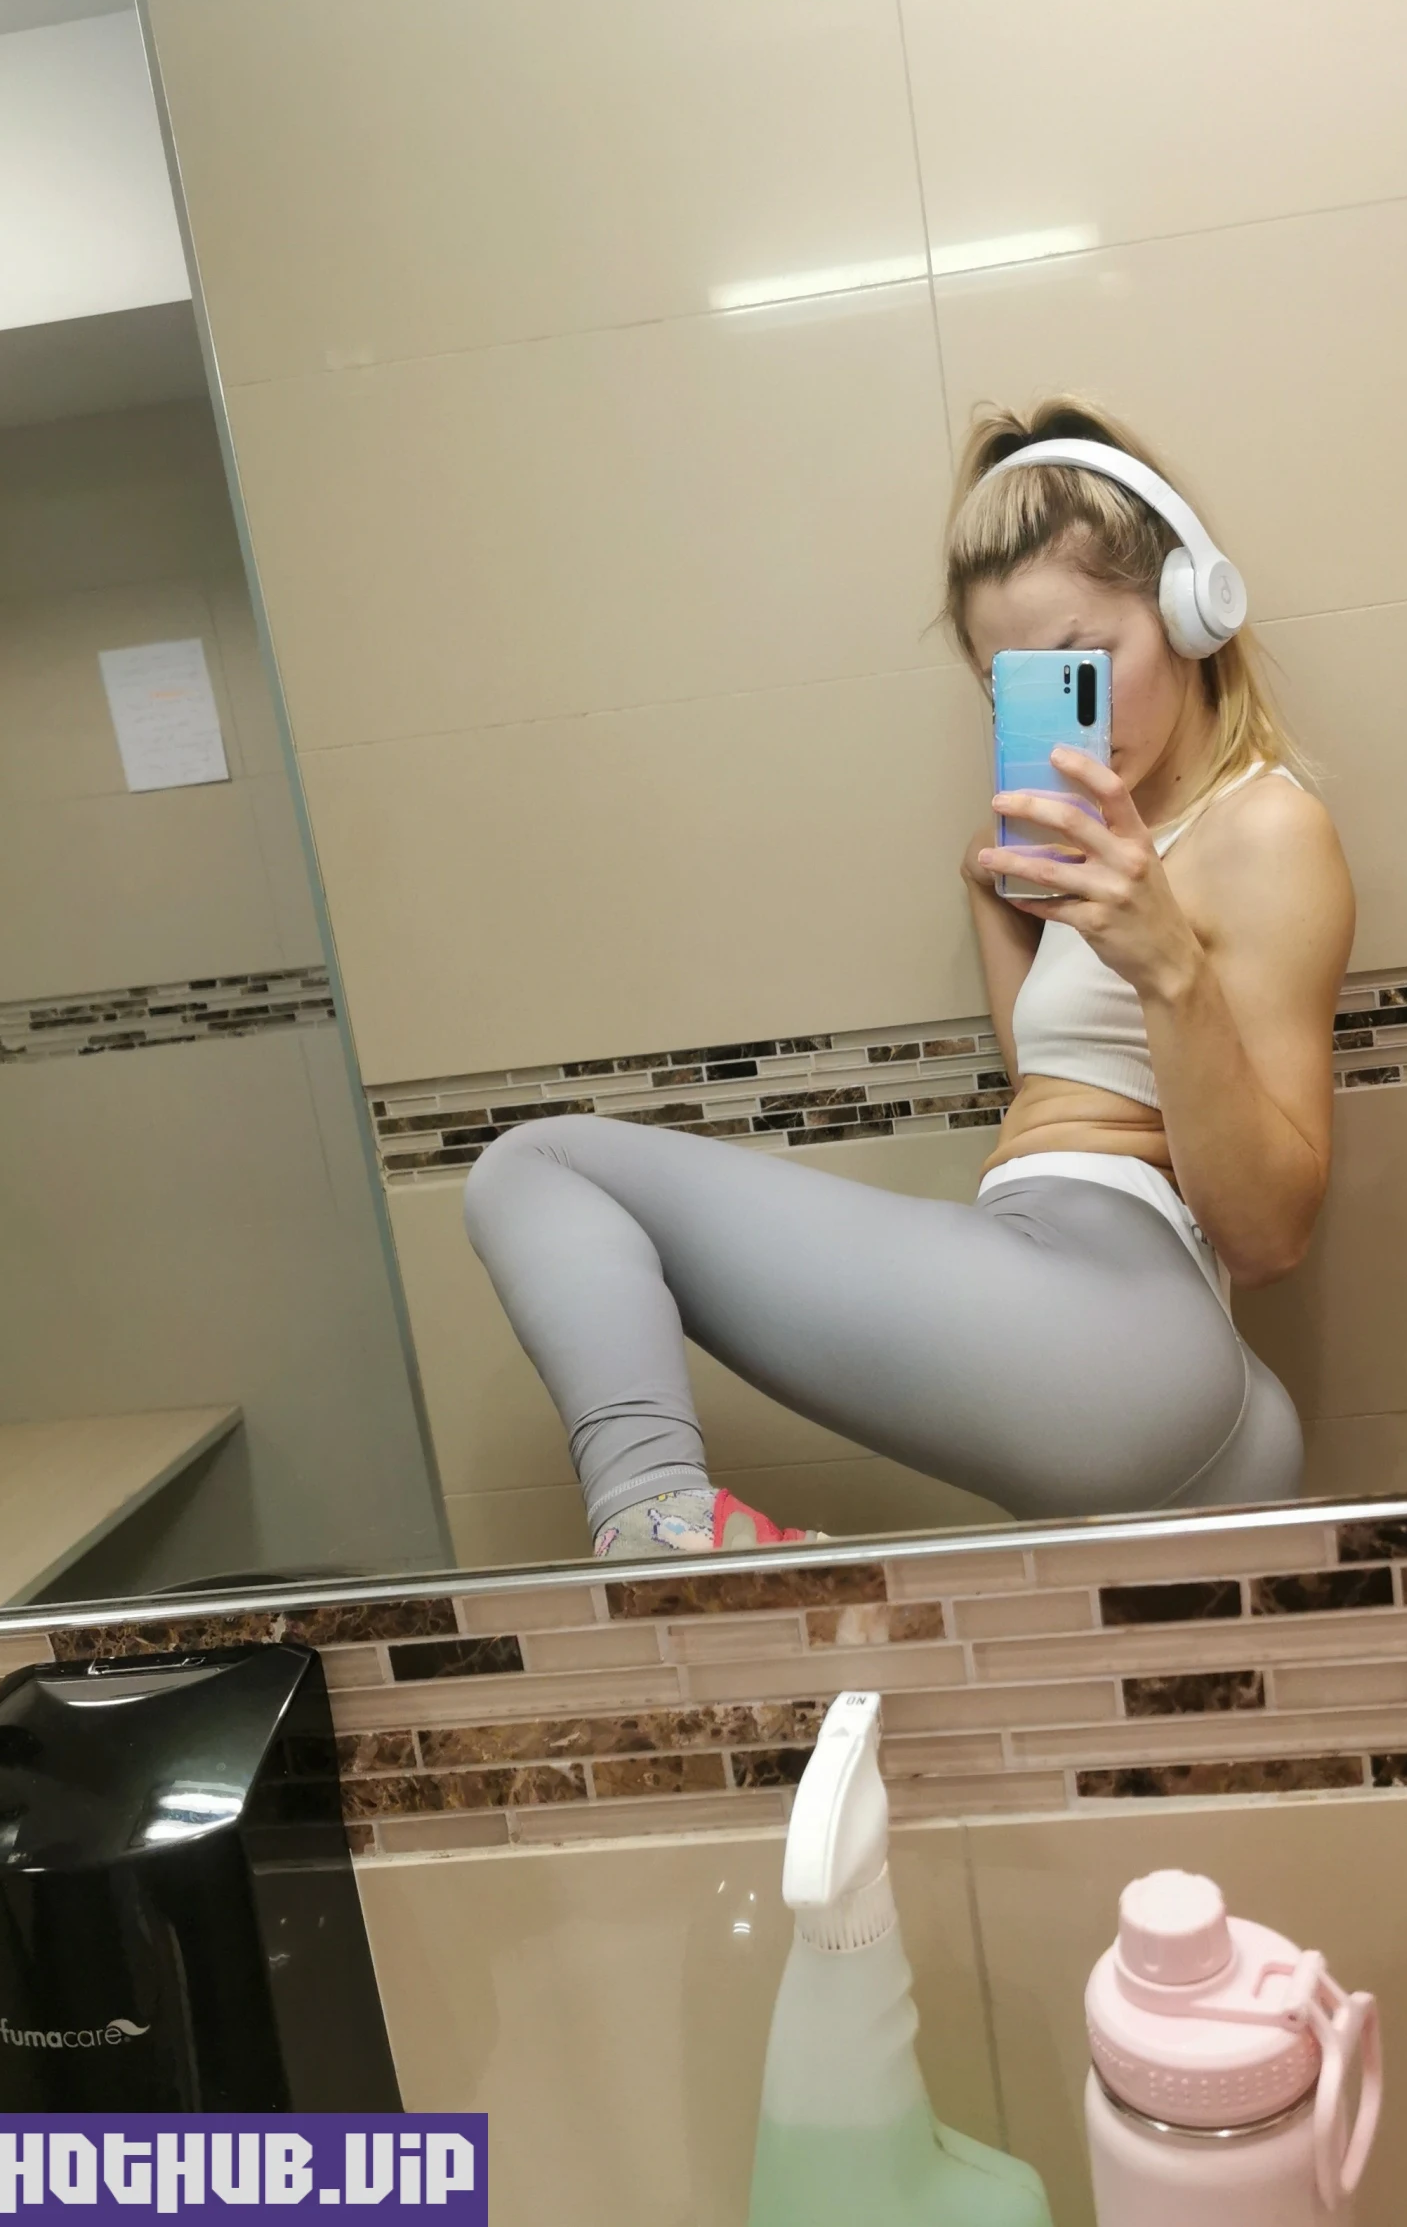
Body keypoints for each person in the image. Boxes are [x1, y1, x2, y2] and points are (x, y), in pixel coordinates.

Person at [463, 399, 1355, 1560]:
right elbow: (1056, 1098)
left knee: (538, 1166)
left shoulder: (1267, 829)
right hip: (1147, 1371)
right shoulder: (1108, 852)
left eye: (1087, 660)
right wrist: (998, 898)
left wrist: (1169, 966)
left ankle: (657, 1525)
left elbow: (1269, 1238)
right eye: (1017, 686)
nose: (1069, 713)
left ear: (1192, 613)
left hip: (1120, 1319)